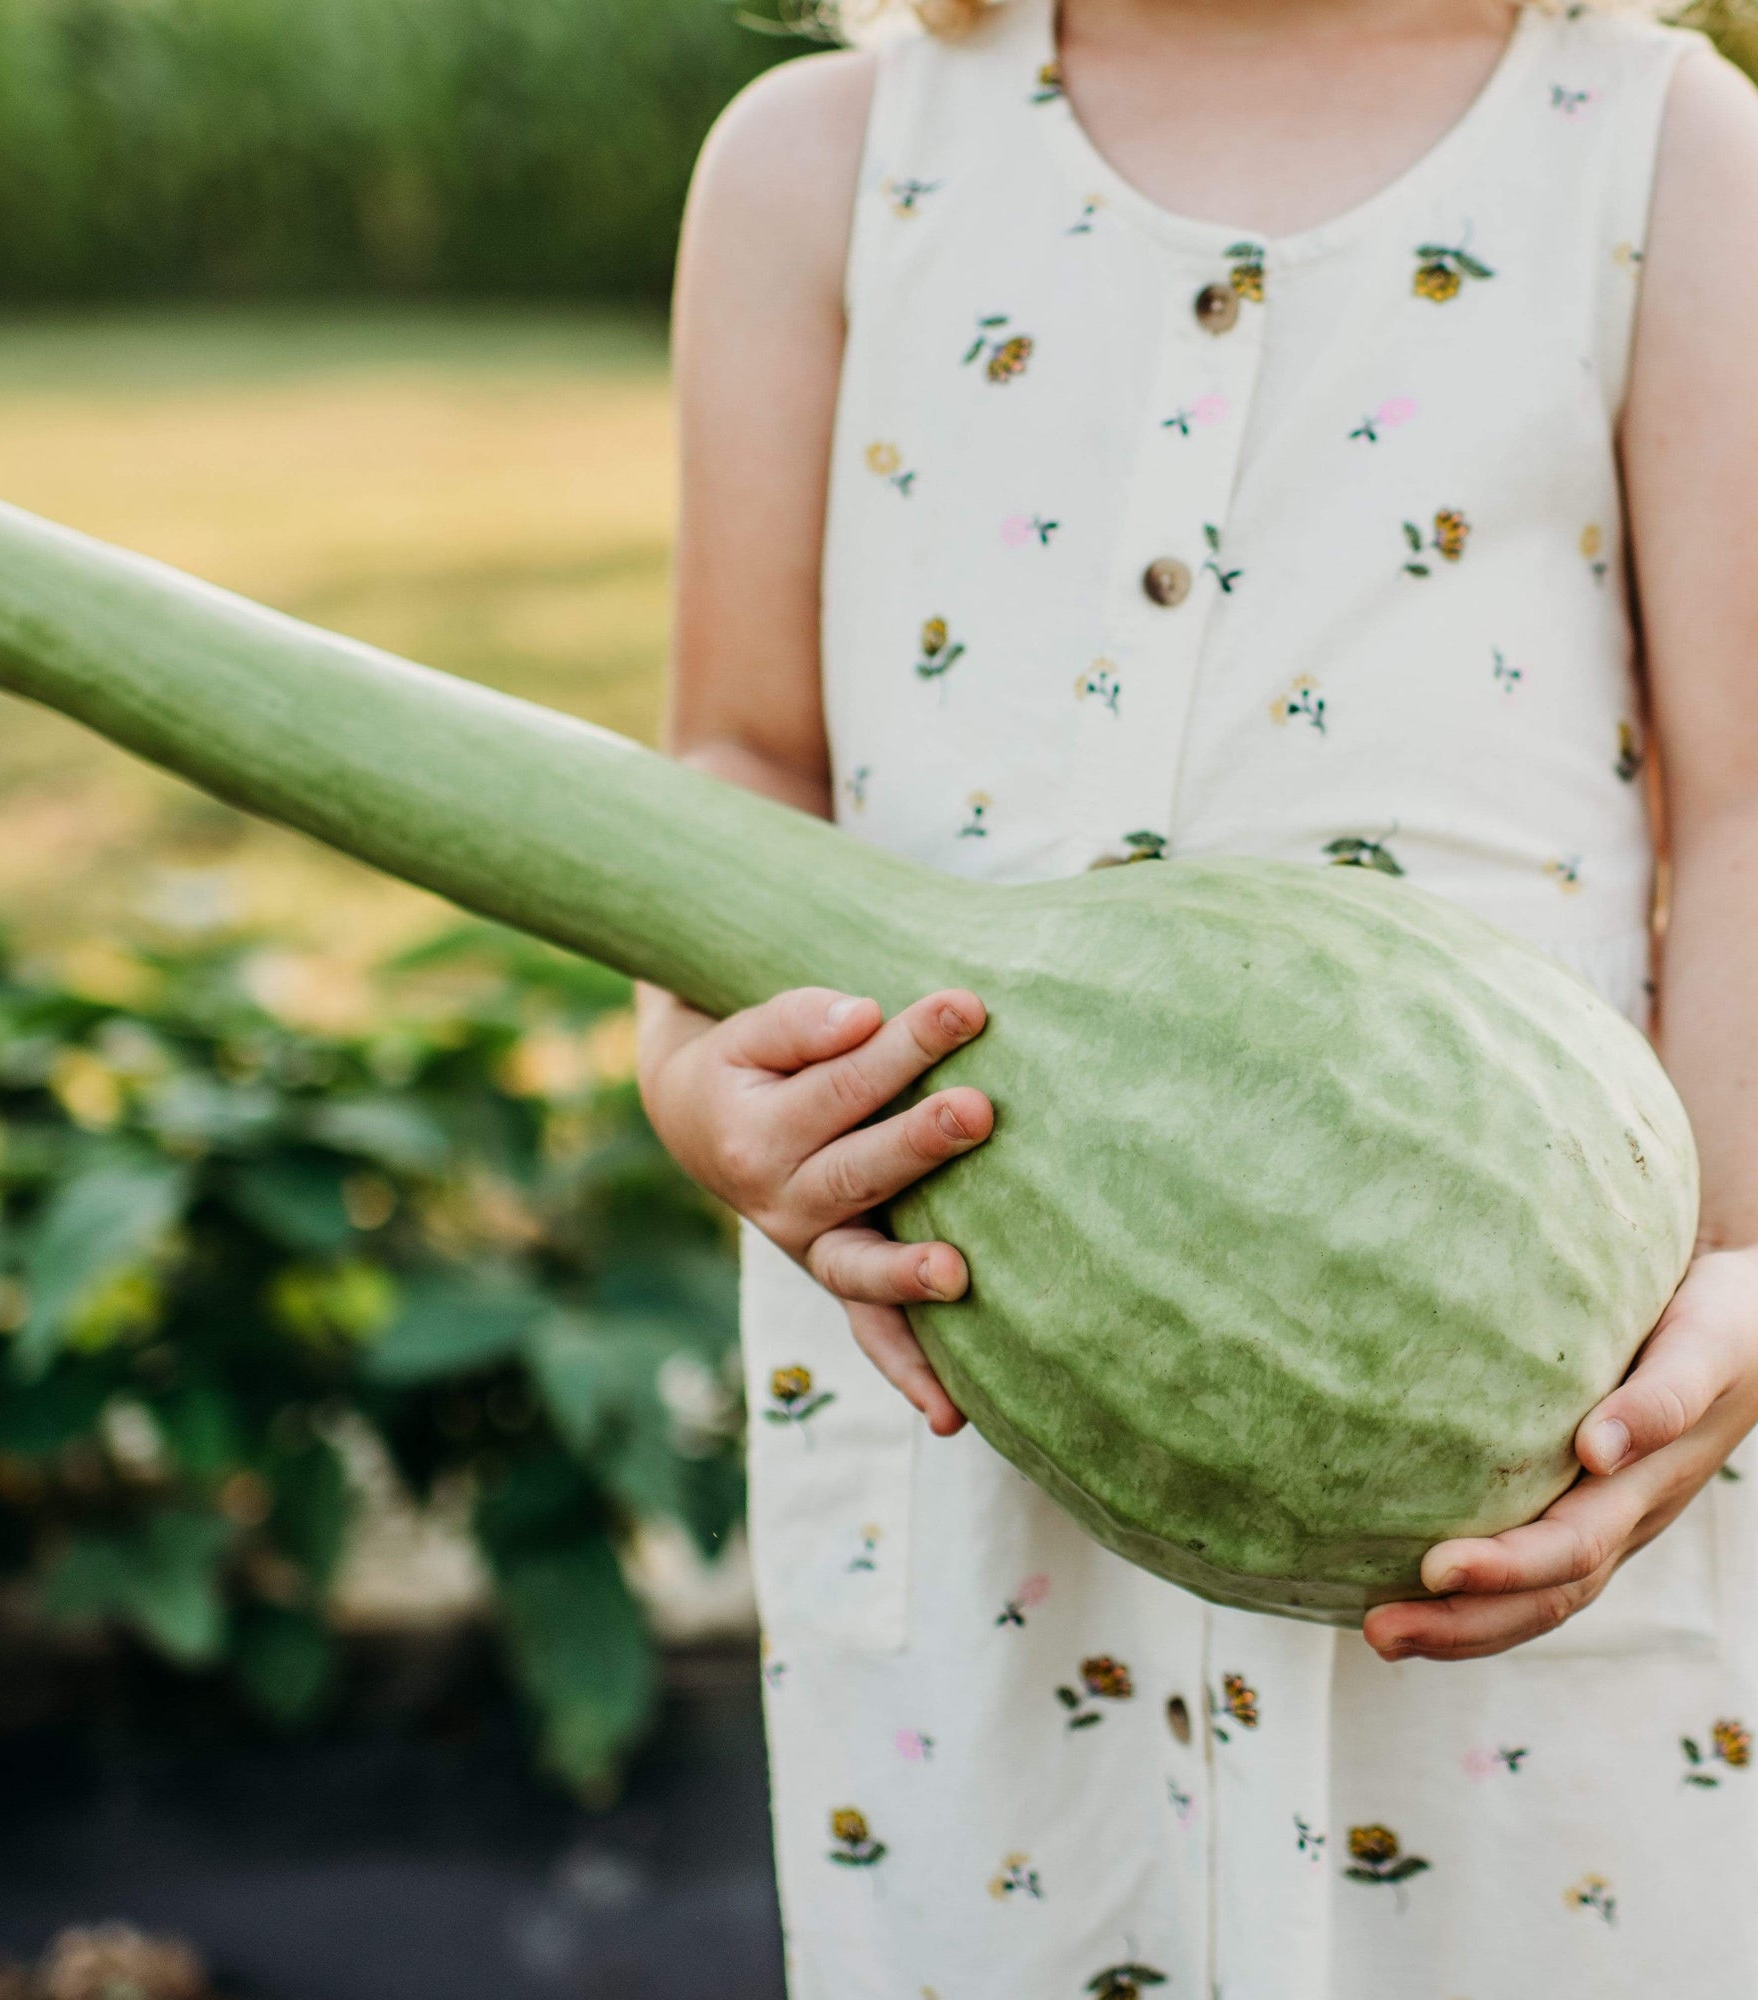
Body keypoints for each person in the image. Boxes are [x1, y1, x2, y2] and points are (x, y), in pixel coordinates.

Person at [635, 0, 1758, 1987]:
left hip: (1532, 1430)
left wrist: (1735, 1274)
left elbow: (1751, 806)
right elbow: (735, 763)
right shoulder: (821, 167)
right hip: (989, 1446)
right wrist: (695, 1083)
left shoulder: (1662, 157)